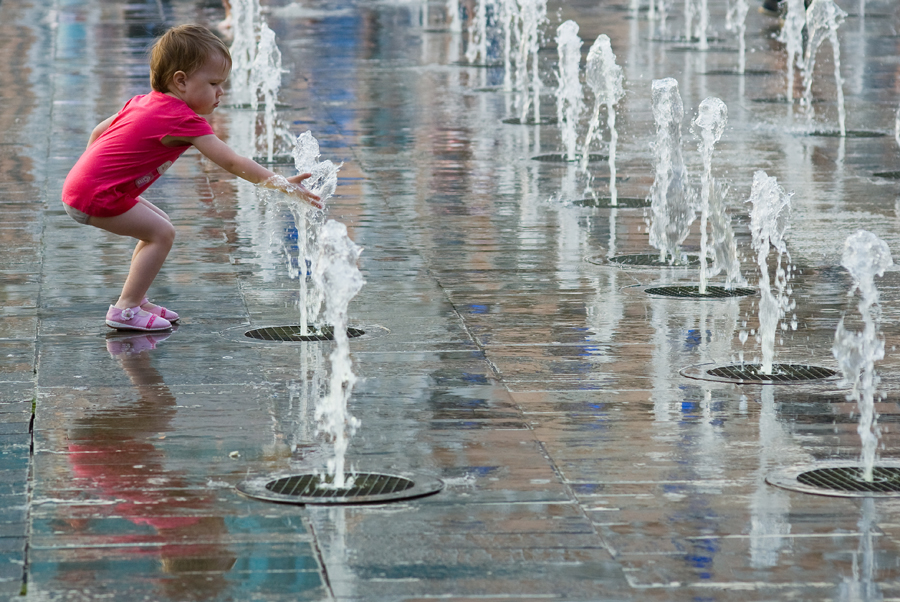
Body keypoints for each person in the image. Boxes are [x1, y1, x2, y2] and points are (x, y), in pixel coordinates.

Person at [61, 24, 321, 332]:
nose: (220, 92)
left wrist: (94, 173)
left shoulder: (142, 101)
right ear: (181, 81)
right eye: (213, 83)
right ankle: (126, 308)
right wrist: (280, 183)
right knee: (161, 234)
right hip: (95, 196)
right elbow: (232, 161)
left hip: (84, 187)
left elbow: (97, 133)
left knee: (160, 226)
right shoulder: (183, 119)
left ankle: (137, 297)